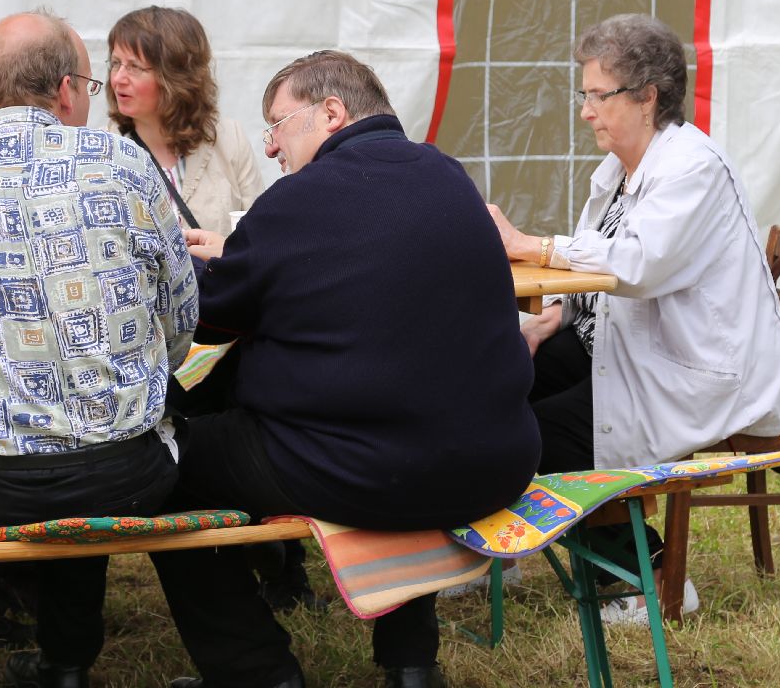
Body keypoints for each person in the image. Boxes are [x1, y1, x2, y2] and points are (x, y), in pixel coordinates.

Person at [154, 50, 541, 688]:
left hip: (369, 469)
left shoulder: (297, 201)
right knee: (399, 404)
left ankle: (259, 673)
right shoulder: (450, 177)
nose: (273, 148)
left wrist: (193, 260)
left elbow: (211, 317)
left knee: (166, 470)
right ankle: (412, 666)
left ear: (331, 112)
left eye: (277, 125)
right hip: (495, 463)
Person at [0, 10, 198, 688]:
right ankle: (67, 663)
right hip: (121, 475)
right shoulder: (125, 163)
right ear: (65, 89)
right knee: (88, 434)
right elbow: (181, 314)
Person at [486, 13, 780, 624]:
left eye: (597, 96)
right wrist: (554, 316)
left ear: (647, 96)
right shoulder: (620, 170)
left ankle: (655, 578)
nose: (585, 111)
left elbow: (639, 265)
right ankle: (497, 548)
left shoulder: (692, 167)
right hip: (618, 347)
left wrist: (536, 245)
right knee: (491, 381)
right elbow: (601, 275)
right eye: (584, 95)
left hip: (691, 371)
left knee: (531, 436)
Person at [107, 5, 265, 235]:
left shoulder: (229, 139)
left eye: (134, 67)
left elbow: (260, 237)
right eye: (115, 63)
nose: (118, 78)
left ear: (174, 76)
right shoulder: (101, 149)